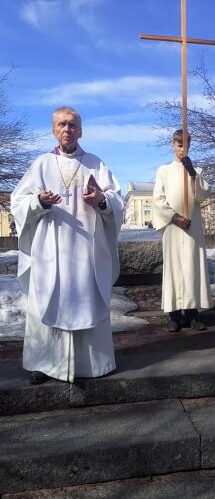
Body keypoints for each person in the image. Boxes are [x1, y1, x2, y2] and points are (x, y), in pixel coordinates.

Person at [11, 107, 124, 384]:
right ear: (53, 130)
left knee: (88, 299)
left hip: (87, 251)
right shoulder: (41, 165)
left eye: (72, 125)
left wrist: (101, 199)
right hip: (51, 249)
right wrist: (39, 201)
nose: (67, 129)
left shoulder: (95, 164)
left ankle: (92, 364)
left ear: (81, 131)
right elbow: (18, 202)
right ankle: (45, 363)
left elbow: (117, 202)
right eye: (62, 124)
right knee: (47, 298)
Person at [153, 129, 212, 332]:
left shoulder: (197, 171)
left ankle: (193, 313)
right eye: (179, 144)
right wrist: (175, 218)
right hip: (173, 227)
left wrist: (193, 174)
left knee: (192, 267)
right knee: (174, 268)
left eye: (185, 145)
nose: (182, 148)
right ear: (172, 145)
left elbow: (203, 196)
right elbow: (158, 199)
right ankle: (175, 315)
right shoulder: (164, 171)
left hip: (192, 227)